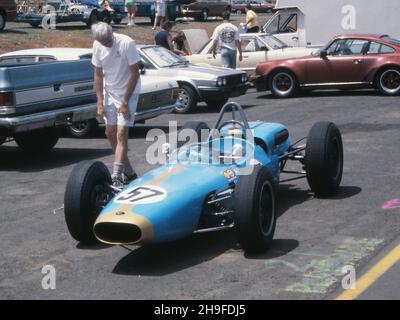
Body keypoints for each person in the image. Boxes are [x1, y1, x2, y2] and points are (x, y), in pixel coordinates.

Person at [91, 22, 141, 188]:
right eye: (105, 43)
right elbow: (98, 74)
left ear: (112, 32)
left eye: (110, 40)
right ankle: (130, 172)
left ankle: (116, 176)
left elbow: (135, 73)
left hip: (128, 91)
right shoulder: (97, 45)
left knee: (121, 133)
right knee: (110, 132)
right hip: (110, 93)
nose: (108, 44)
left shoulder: (127, 42)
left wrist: (125, 102)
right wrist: (99, 101)